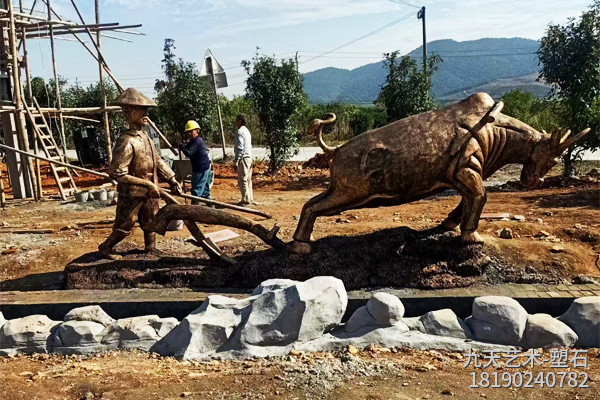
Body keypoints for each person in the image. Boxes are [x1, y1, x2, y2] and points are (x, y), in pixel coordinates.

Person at [98, 88, 182, 258]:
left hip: (150, 193)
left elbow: (158, 161)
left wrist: (172, 179)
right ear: (128, 113)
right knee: (125, 224)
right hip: (132, 194)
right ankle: (106, 247)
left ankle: (150, 248)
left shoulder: (146, 138)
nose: (146, 113)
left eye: (147, 110)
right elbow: (117, 173)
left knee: (150, 221)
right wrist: (146, 184)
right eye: (141, 110)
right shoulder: (126, 141)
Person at [179, 120, 212, 205]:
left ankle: (193, 212)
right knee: (205, 193)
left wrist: (182, 147)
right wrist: (183, 146)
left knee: (196, 193)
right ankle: (213, 209)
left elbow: (189, 153)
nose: (189, 134)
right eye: (188, 132)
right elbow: (188, 146)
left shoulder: (197, 142)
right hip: (205, 168)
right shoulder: (195, 141)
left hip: (200, 170)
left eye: (191, 131)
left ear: (197, 131)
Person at [234, 114, 253, 205]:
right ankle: (250, 197)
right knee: (248, 179)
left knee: (243, 179)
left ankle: (245, 199)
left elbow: (240, 147)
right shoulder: (247, 131)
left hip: (243, 158)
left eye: (236, 121)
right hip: (249, 157)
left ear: (240, 121)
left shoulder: (240, 132)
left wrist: (237, 160)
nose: (235, 122)